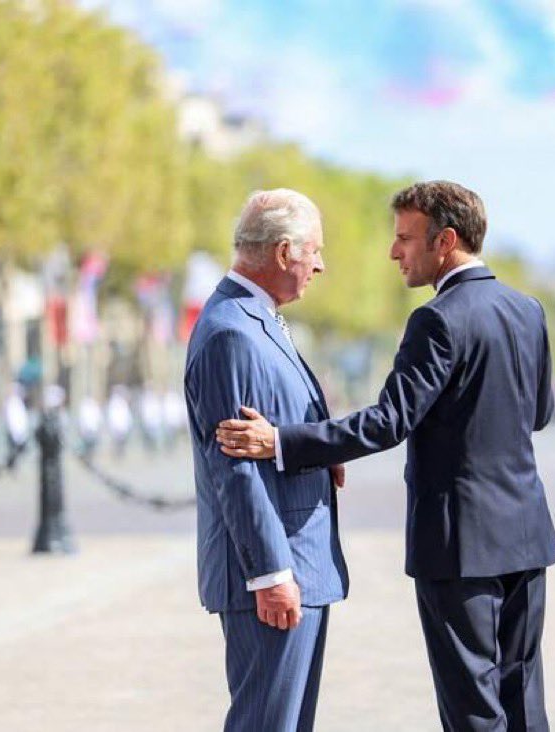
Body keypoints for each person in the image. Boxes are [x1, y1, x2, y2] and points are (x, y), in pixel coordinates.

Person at [217, 180, 555, 731]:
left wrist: (281, 442)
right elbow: (539, 413)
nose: (394, 251)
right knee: (523, 699)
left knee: (473, 708)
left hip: (458, 544)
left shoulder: (437, 319)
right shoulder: (527, 310)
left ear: (445, 241)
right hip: (527, 535)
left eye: (405, 238)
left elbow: (388, 422)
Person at [184, 189, 348, 732]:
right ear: (284, 252)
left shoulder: (257, 318)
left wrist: (315, 452)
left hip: (299, 565)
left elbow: (272, 427)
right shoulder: (231, 331)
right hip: (276, 574)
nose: (320, 265)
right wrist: (270, 574)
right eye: (314, 251)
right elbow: (235, 468)